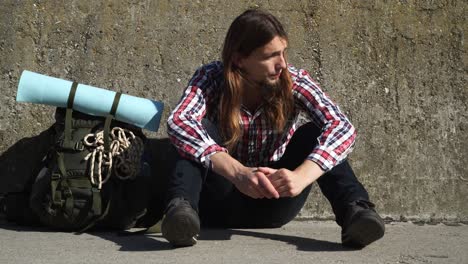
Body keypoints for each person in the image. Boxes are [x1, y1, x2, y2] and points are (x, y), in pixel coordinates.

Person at [162, 9, 385, 248]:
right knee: (197, 130)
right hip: (216, 201)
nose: (282, 64)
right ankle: (180, 213)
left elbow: (341, 126)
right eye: (271, 56)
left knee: (313, 132)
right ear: (239, 59)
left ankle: (356, 213)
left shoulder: (293, 81)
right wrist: (238, 173)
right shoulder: (211, 77)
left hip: (275, 200)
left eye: (283, 53)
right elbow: (179, 120)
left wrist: (301, 177)